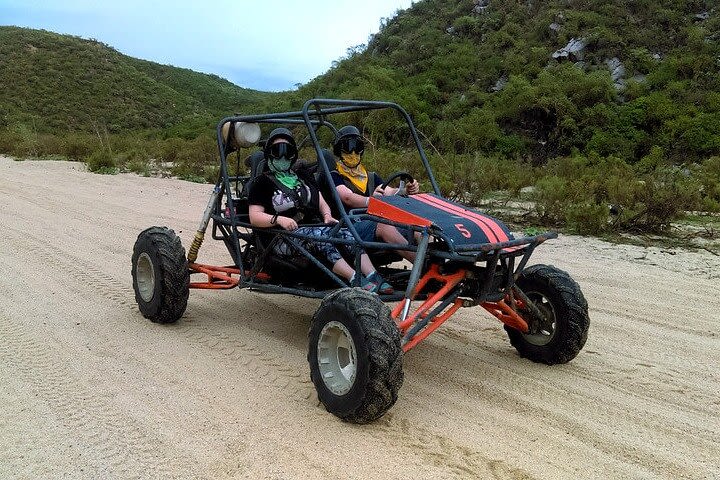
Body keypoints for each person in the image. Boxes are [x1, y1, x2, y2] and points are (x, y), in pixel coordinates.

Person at [248, 127, 392, 294]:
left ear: (293, 154)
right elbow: (254, 217)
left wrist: (327, 215)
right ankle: (354, 277)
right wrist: (279, 220)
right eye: (277, 151)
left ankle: (373, 275)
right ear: (269, 154)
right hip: (281, 238)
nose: (282, 156)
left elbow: (320, 200)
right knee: (321, 237)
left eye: (287, 151)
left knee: (345, 233)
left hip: (309, 231)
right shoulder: (261, 183)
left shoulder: (301, 177)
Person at [329, 125, 420, 262]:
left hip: (372, 221)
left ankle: (439, 258)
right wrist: (371, 201)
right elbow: (347, 197)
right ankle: (423, 265)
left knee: (417, 222)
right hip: (349, 226)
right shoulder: (334, 176)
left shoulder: (370, 177)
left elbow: (388, 191)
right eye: (348, 147)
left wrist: (405, 190)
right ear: (339, 151)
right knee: (384, 226)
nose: (353, 152)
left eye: (357, 147)